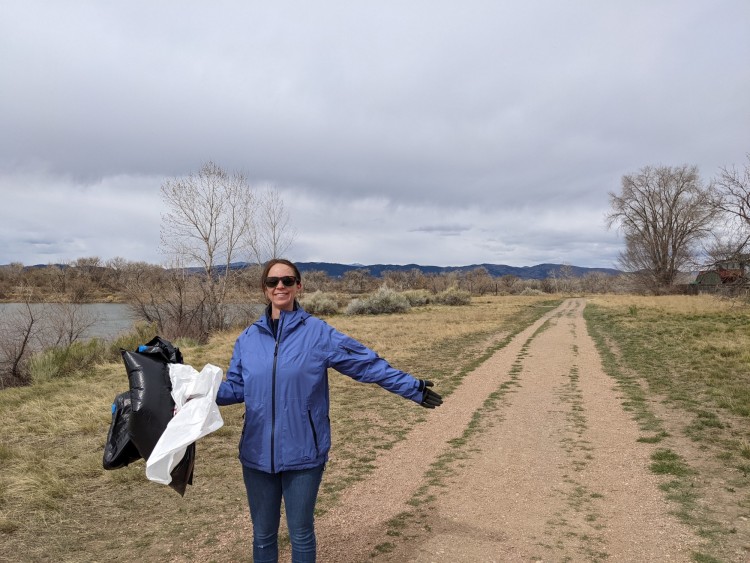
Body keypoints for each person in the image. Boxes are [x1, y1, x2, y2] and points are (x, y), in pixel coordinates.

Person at [216, 258, 443, 562]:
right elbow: (235, 388)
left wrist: (410, 387)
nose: (280, 286)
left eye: (287, 280)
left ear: (299, 286)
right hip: (256, 454)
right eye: (273, 282)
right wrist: (190, 396)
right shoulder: (247, 339)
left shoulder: (317, 334)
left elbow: (366, 364)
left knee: (300, 532)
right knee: (262, 535)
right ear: (265, 289)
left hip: (303, 452)